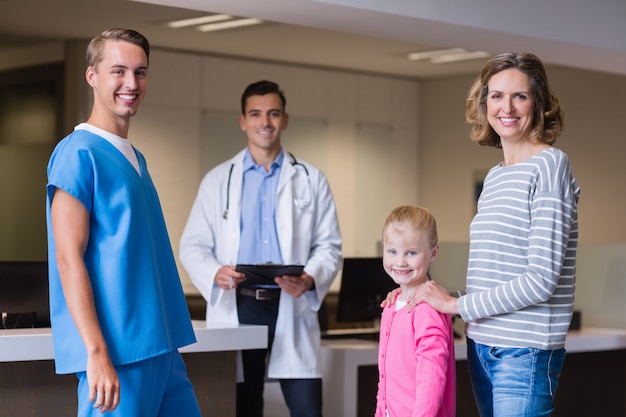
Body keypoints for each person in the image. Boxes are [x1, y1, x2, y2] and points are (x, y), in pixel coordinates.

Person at [387, 52, 580, 417]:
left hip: (524, 352)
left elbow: (541, 280)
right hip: (481, 346)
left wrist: (456, 306)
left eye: (519, 96)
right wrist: (431, 294)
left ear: (538, 103)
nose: (506, 107)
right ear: (484, 103)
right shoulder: (495, 176)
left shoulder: (551, 165)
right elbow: (498, 274)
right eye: (496, 96)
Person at [45, 28, 202, 417]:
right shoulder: (77, 154)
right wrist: (96, 353)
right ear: (92, 76)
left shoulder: (136, 158)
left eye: (140, 72)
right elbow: (68, 259)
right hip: (118, 354)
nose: (131, 83)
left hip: (162, 349)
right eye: (118, 71)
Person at [179, 80, 342, 417]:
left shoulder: (312, 179)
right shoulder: (217, 180)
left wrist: (310, 278)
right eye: (255, 114)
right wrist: (215, 272)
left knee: (307, 408)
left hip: (291, 303)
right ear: (243, 121)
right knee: (244, 407)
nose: (264, 122)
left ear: (285, 119)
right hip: (239, 306)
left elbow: (329, 245)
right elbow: (192, 245)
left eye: (273, 114)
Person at [376, 205, 456, 417]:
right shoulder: (391, 305)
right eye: (392, 251)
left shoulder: (427, 309)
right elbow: (384, 380)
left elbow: (432, 377)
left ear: (433, 253)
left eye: (411, 252)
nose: (400, 262)